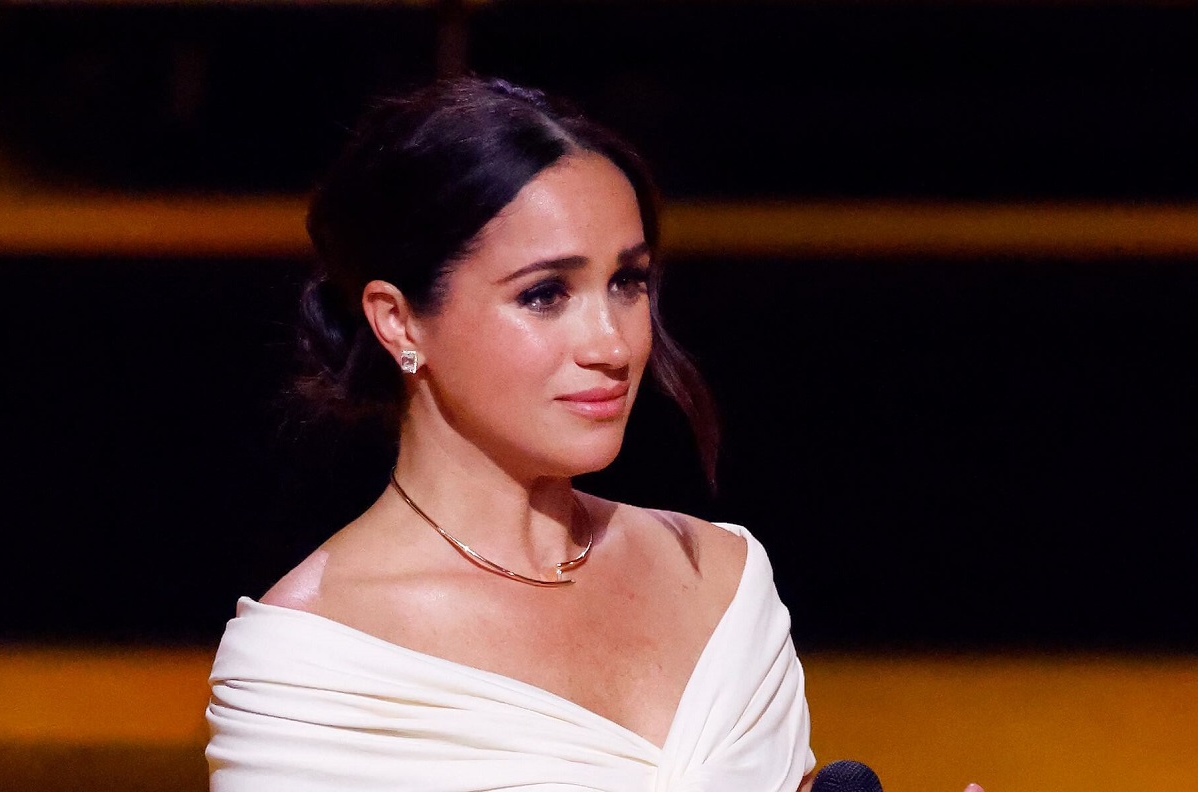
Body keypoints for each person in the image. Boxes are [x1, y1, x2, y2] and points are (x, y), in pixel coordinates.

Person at [204, 75, 980, 792]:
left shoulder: (721, 580)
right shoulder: (311, 662)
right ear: (398, 320)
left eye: (628, 282)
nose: (611, 344)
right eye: (545, 295)